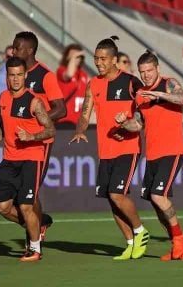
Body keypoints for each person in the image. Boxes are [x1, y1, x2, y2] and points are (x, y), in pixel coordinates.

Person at [69, 36, 150, 260]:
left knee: (116, 193)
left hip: (128, 147)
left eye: (103, 58)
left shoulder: (132, 82)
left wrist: (130, 125)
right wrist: (80, 130)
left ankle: (140, 230)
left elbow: (144, 114)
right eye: (96, 58)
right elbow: (85, 112)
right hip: (105, 150)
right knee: (111, 199)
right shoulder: (93, 84)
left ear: (114, 60)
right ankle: (131, 243)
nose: (98, 62)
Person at [115, 50, 183, 261]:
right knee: (153, 199)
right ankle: (177, 243)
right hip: (153, 154)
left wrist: (160, 94)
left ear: (157, 69)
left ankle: (179, 240)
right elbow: (138, 124)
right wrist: (123, 122)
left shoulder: (168, 83)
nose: (146, 75)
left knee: (159, 196)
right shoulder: (140, 95)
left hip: (172, 150)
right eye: (142, 72)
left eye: (149, 70)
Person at [0, 56, 56, 262]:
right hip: (9, 160)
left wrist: (32, 137)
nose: (16, 79)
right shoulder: (3, 97)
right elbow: (4, 124)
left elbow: (50, 129)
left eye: (19, 75)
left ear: (26, 75)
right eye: (12, 75)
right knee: (2, 208)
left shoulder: (35, 101)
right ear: (7, 76)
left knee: (26, 206)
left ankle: (35, 249)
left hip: (31, 159)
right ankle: (38, 223)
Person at [12, 31, 67, 242]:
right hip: (17, 142)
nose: (13, 51)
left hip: (39, 141)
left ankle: (34, 235)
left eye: (17, 47)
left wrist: (35, 122)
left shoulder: (45, 75)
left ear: (30, 50)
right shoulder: (16, 75)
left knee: (30, 190)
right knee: (13, 196)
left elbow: (60, 110)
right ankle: (40, 221)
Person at [56, 44, 89, 125]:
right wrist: (75, 56)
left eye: (78, 57)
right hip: (64, 119)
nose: (75, 59)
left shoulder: (83, 75)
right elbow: (69, 74)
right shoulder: (61, 70)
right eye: (73, 56)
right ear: (67, 57)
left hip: (78, 120)